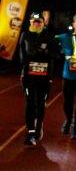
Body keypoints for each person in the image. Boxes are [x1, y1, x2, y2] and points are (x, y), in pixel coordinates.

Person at [19, 12, 57, 145]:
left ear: (43, 23)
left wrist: (45, 53)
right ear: (30, 22)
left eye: (39, 21)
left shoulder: (49, 36)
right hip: (29, 76)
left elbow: (54, 56)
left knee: (40, 103)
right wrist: (23, 69)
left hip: (44, 77)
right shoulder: (25, 35)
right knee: (30, 102)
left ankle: (38, 126)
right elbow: (22, 55)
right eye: (34, 21)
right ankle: (30, 133)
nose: (36, 23)